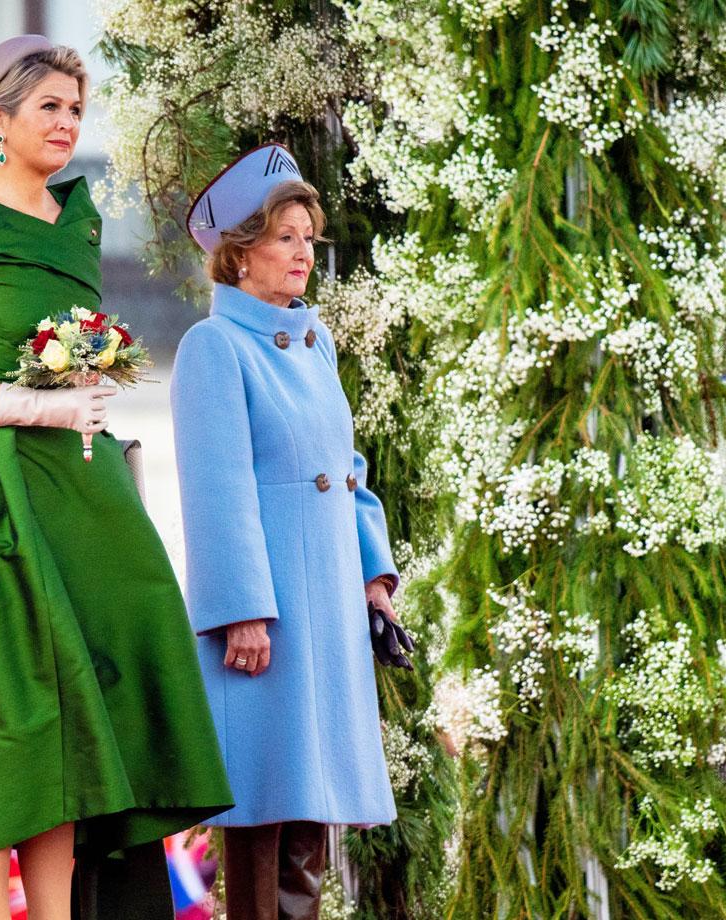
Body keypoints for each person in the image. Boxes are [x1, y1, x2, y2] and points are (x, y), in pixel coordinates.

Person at [0, 33, 232, 920]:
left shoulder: (78, 217)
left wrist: (87, 376)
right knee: (5, 713)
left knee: (92, 689)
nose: (70, 123)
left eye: (77, 109)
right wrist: (24, 403)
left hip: (80, 485)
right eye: (51, 107)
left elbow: (75, 333)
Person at [171, 145, 401, 920]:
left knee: (312, 810)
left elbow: (348, 467)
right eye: (284, 236)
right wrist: (242, 609)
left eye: (309, 235)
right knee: (264, 811)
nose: (304, 251)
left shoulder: (315, 340)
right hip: (267, 616)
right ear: (239, 255)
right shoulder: (214, 347)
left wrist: (375, 573)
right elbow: (216, 489)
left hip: (328, 599)